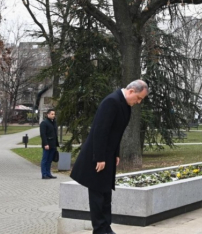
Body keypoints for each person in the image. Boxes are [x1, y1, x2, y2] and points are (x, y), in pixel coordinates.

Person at [70, 80, 149, 234]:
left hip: (109, 155)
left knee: (106, 193)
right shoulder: (111, 102)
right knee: (97, 195)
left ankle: (106, 227)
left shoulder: (125, 105)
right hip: (98, 156)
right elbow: (100, 131)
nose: (138, 102)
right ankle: (99, 229)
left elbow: (116, 132)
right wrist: (99, 157)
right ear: (131, 91)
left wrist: (116, 153)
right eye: (139, 98)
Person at [40, 109, 59, 179]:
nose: (53, 115)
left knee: (50, 160)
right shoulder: (44, 123)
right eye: (52, 114)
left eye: (54, 114)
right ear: (48, 114)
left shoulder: (54, 123)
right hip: (47, 144)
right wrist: (45, 144)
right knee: (45, 159)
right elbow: (43, 134)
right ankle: (44, 174)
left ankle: (48, 173)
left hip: (53, 144)